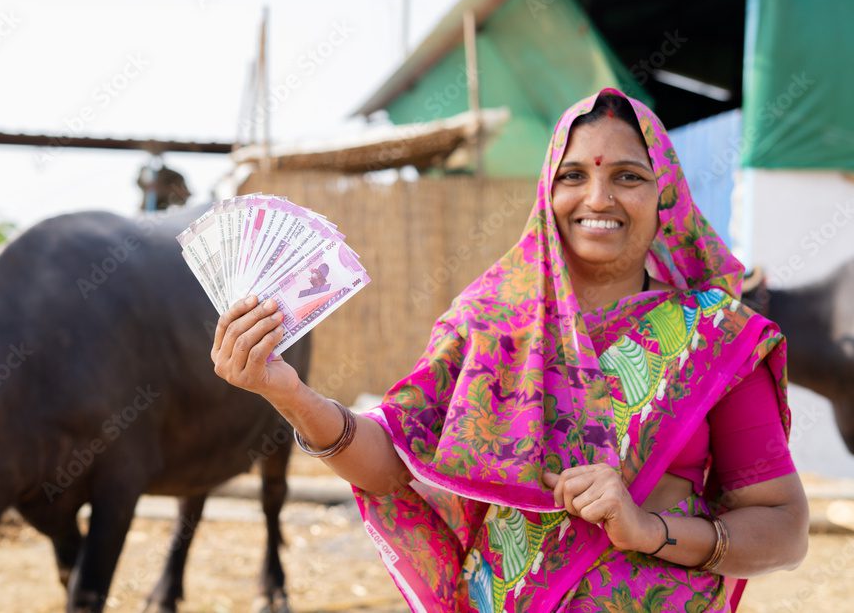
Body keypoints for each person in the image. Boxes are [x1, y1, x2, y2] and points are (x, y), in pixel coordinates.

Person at [210, 88, 809, 612]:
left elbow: (782, 528)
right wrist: (287, 393)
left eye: (627, 176)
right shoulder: (488, 322)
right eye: (573, 176)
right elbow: (394, 463)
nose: (597, 198)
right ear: (547, 194)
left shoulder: (717, 339)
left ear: (667, 196)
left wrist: (648, 529)